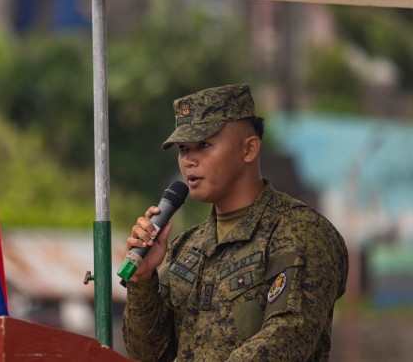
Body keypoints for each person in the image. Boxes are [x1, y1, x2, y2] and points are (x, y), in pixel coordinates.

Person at [122, 84, 349, 361]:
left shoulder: (301, 232)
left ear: (249, 149)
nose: (189, 161)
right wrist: (143, 279)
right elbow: (148, 353)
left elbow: (286, 341)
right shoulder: (186, 247)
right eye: (183, 149)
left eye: (204, 145)